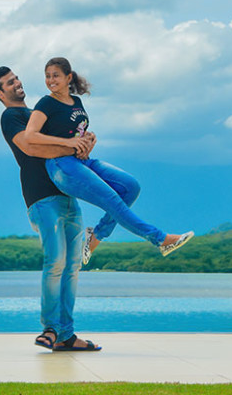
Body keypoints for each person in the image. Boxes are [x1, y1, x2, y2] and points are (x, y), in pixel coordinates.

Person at [24, 57, 194, 259]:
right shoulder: (46, 103)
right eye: (48, 76)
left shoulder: (76, 102)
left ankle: (95, 236)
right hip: (62, 166)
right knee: (111, 199)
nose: (51, 80)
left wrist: (88, 138)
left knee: (131, 186)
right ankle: (161, 239)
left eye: (56, 76)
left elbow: (75, 131)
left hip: (82, 160)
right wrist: (68, 143)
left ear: (68, 77)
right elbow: (30, 135)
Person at [0, 66, 102, 352]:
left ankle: (67, 334)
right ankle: (50, 329)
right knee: (56, 261)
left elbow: (70, 138)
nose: (18, 84)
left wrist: (85, 141)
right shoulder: (11, 116)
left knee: (72, 267)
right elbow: (30, 146)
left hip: (66, 193)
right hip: (41, 196)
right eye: (10, 83)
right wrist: (70, 145)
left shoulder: (41, 112)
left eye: (17, 78)